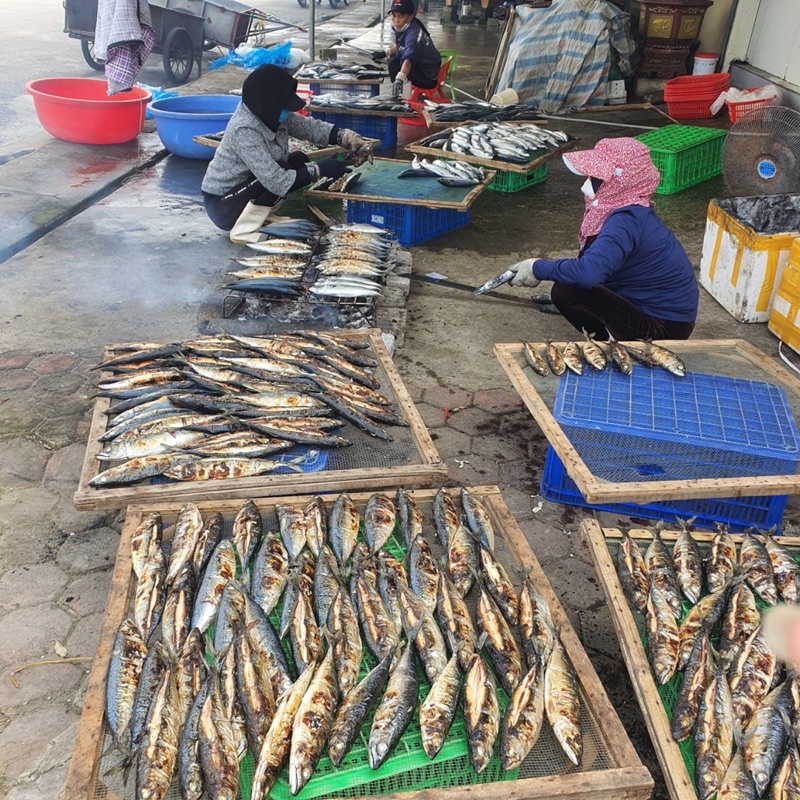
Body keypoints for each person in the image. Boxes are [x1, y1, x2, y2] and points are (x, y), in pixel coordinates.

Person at [505, 137, 699, 341]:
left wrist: (536, 268)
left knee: (567, 290)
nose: (588, 181)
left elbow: (589, 273)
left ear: (617, 182)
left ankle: (611, 342)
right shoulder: (631, 209)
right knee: (573, 280)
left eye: (595, 176)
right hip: (664, 313)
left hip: (664, 327)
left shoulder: (624, 221)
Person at [202, 64, 371, 244]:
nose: (287, 112)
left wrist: (343, 136)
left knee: (297, 159)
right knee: (280, 173)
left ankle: (260, 215)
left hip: (247, 186)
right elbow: (276, 181)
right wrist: (319, 170)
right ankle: (244, 229)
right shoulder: (243, 129)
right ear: (269, 102)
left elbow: (309, 128)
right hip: (222, 204)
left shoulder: (269, 112)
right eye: (284, 106)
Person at [371, 0, 441, 99]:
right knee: (394, 59)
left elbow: (409, 57)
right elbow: (401, 46)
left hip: (428, 78)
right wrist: (384, 53)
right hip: (422, 67)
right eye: (394, 16)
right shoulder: (408, 25)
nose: (396, 20)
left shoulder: (413, 35)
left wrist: (400, 78)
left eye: (401, 16)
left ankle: (400, 95)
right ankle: (400, 93)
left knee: (394, 64)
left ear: (410, 17)